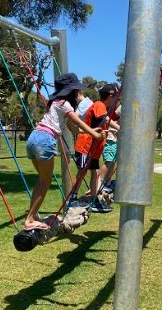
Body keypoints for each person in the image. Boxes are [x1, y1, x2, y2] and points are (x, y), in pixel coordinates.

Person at [25, 73, 105, 230]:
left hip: (34, 137)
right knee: (45, 182)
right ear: (72, 91)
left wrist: (91, 130)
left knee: (41, 180)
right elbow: (77, 121)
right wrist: (95, 134)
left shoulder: (56, 103)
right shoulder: (65, 104)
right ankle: (29, 220)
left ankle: (33, 215)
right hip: (45, 140)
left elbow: (73, 128)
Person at [74, 83, 120, 210]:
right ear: (110, 96)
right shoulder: (99, 105)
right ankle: (73, 197)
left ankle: (94, 200)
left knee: (94, 173)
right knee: (82, 172)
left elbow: (109, 120)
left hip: (93, 149)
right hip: (85, 147)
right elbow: (105, 120)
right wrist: (120, 129)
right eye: (116, 97)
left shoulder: (105, 108)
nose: (117, 100)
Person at [99, 104, 121, 203]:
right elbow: (113, 116)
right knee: (108, 161)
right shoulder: (120, 107)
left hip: (113, 137)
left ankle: (107, 183)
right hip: (109, 137)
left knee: (112, 161)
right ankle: (100, 184)